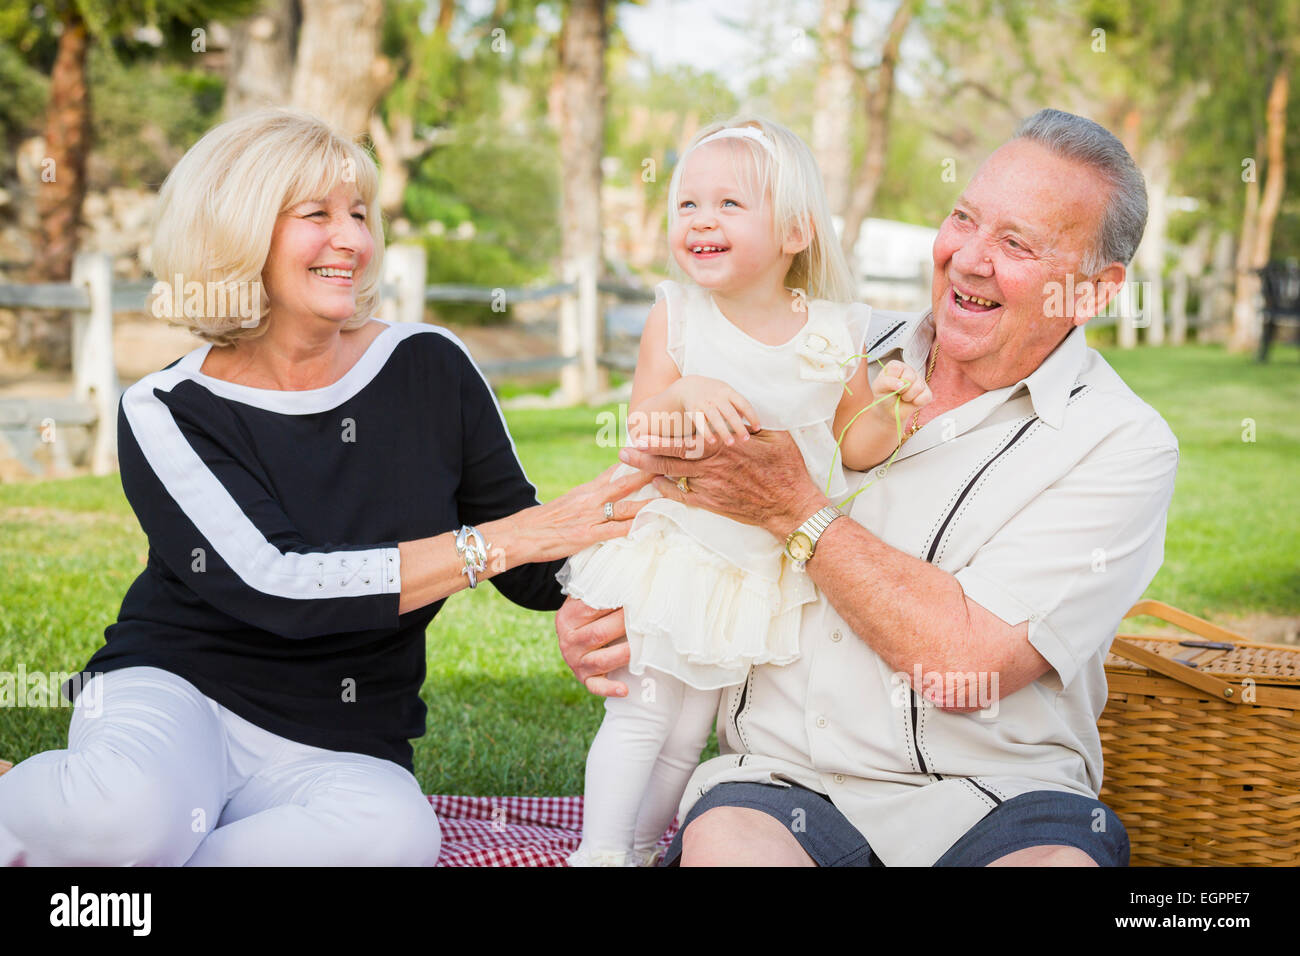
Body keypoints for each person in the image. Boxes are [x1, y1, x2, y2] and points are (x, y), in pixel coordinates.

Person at [0, 108, 652, 867]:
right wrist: (505, 542)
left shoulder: (429, 366)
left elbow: (534, 561)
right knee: (126, 817)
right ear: (239, 231)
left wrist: (611, 584)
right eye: (318, 215)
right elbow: (280, 585)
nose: (353, 239)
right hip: (177, 691)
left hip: (344, 734)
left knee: (394, 839)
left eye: (360, 214)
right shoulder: (167, 409)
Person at [557, 108, 1180, 867]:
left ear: (1091, 292)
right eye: (963, 219)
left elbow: (965, 665)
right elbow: (657, 486)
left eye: (1015, 244)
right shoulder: (827, 342)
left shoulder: (1120, 442)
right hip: (781, 787)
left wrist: (796, 510)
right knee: (729, 849)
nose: (968, 259)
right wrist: (606, 608)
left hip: (1004, 798)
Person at [559, 117, 932, 866]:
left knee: (689, 731)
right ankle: (597, 854)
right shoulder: (680, 315)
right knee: (642, 715)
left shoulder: (832, 331)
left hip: (754, 569)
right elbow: (641, 432)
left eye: (730, 205)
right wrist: (689, 386)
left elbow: (854, 444)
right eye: (688, 205)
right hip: (682, 553)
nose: (701, 220)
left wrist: (894, 406)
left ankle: (635, 849)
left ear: (795, 230)